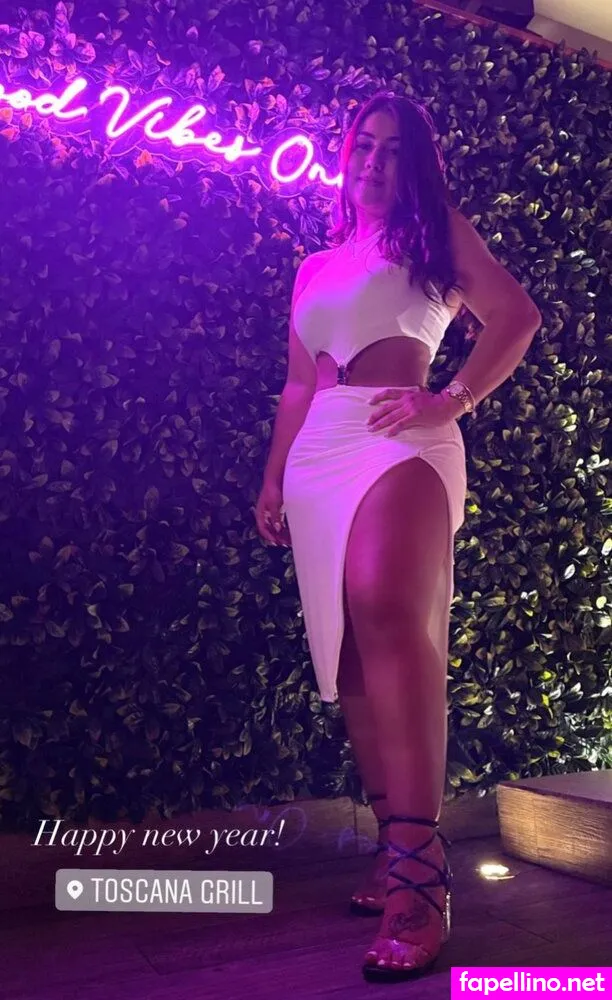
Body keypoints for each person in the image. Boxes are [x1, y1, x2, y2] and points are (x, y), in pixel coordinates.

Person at [254, 91, 541, 981]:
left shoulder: (437, 235)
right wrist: (273, 476)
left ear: (413, 165)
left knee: (387, 611)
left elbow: (517, 317)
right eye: (362, 145)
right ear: (345, 157)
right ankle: (394, 848)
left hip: (400, 439)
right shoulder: (315, 267)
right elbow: (299, 386)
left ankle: (422, 877)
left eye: (391, 149)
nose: (373, 161)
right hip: (319, 455)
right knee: (346, 654)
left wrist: (451, 399)